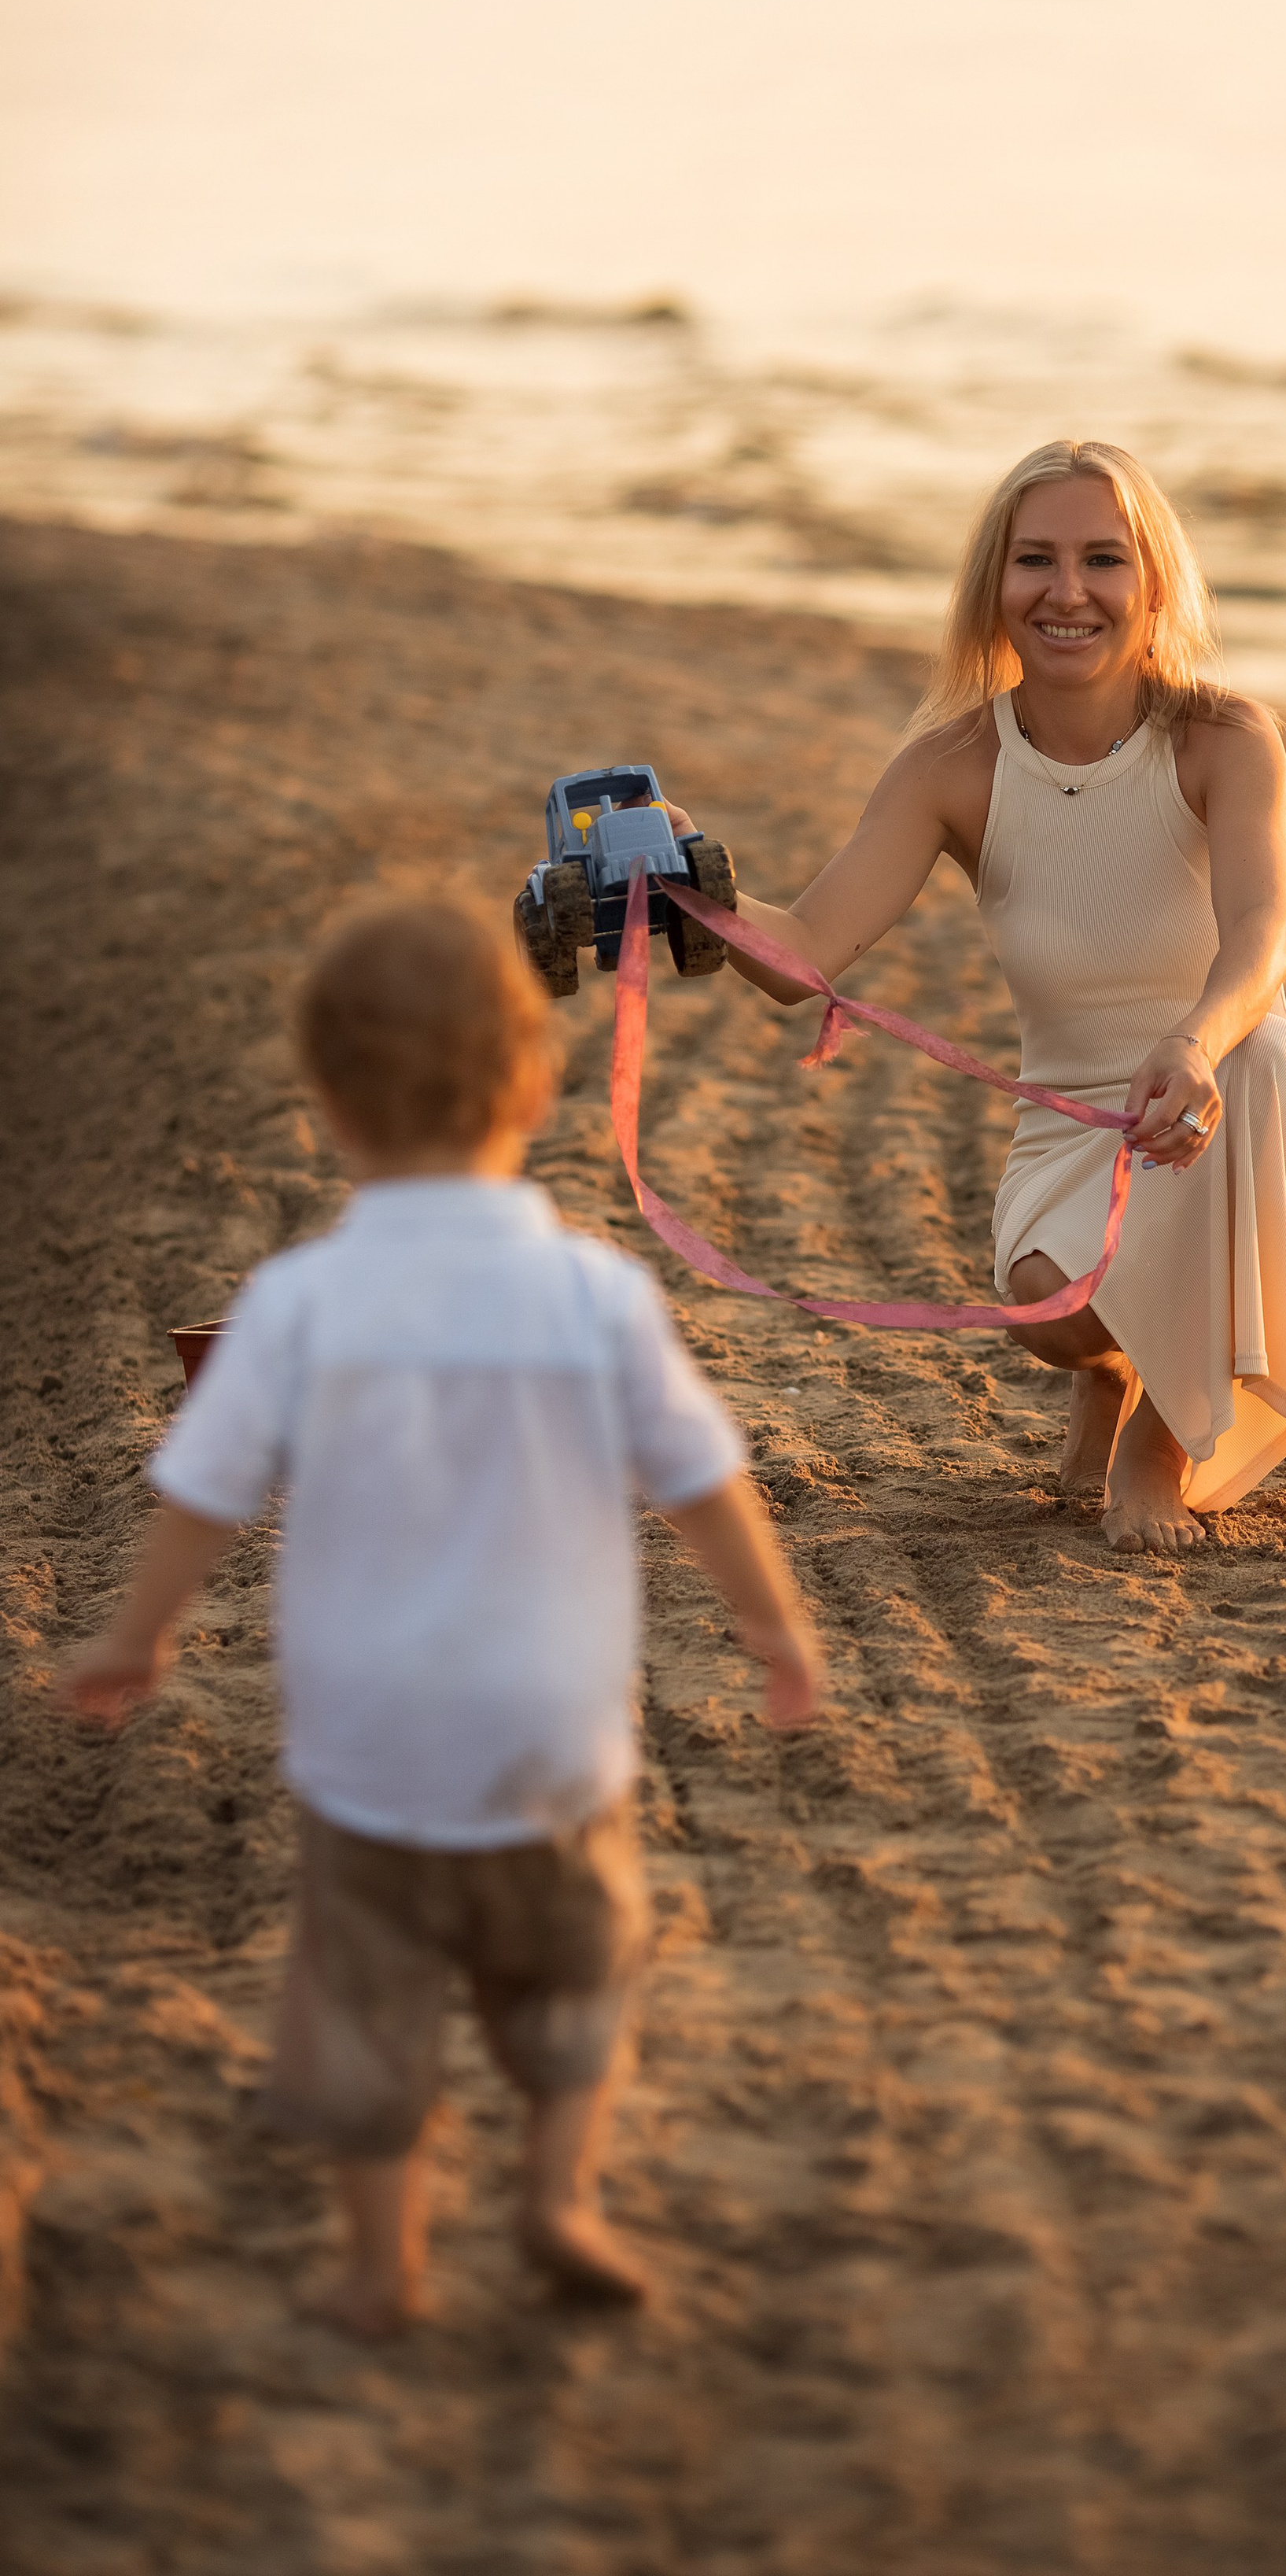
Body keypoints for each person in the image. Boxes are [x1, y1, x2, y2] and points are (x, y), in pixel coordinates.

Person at [57, 899, 821, 2338]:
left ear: (330, 1102)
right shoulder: (597, 1293)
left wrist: (134, 1639)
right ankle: (557, 2196)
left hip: (369, 1754)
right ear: (533, 1088)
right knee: (575, 1983)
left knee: (367, 2011)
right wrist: (775, 1633)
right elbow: (705, 1483)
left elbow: (201, 1494)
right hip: (552, 1744)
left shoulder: (295, 1303)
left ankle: (379, 2264)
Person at [665, 437, 1286, 1557]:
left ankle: (1162, 1445)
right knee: (1056, 1311)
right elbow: (806, 955)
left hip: (1239, 1139)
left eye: (1104, 559)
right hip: (1076, 1134)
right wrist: (693, 880)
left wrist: (1193, 1043)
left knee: (1267, 1055)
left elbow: (1263, 933)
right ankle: (1116, 1363)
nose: (1069, 591)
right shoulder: (954, 766)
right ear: (995, 585)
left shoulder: (1225, 739)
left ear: (1154, 585)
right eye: (1036, 559)